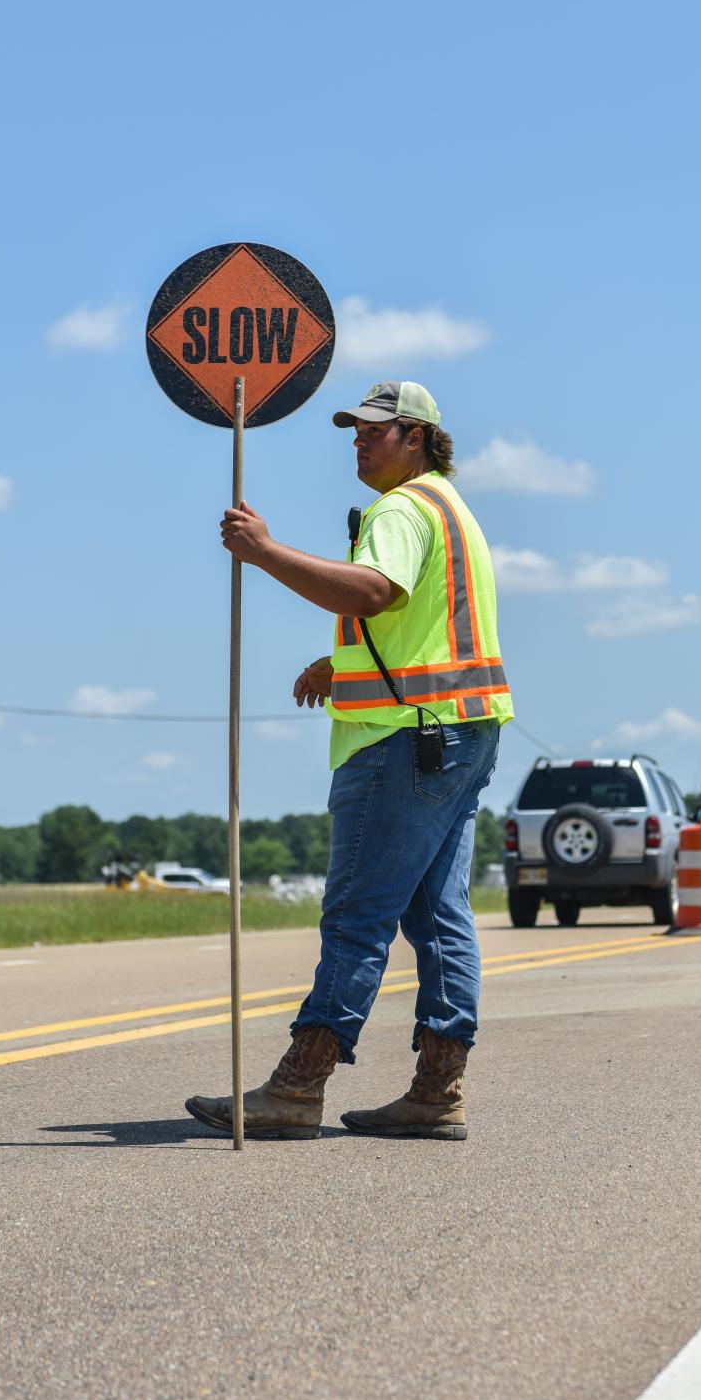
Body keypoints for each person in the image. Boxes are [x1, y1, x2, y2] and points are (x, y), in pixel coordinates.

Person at [186, 381, 513, 1141]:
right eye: (354, 431)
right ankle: (437, 1090)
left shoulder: (401, 509)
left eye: (375, 430)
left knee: (358, 913)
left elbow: (374, 590)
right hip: (463, 732)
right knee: (439, 916)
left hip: (402, 739)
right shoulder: (450, 509)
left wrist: (264, 552)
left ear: (420, 437)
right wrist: (342, 662)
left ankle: (300, 1085)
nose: (358, 442)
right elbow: (422, 621)